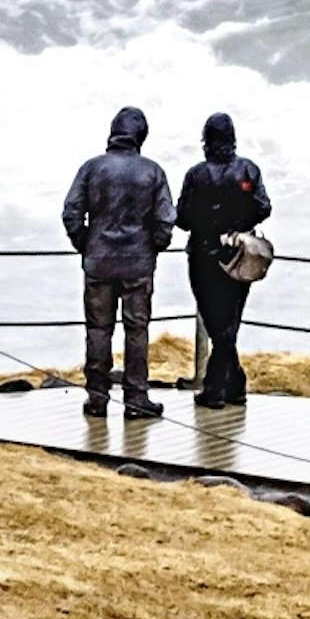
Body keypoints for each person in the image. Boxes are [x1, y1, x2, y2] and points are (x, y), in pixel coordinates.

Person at [61, 104, 174, 419]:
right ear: (141, 136)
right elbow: (166, 221)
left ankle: (97, 399)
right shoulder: (153, 171)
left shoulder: (92, 168)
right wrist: (153, 247)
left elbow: (71, 212)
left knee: (98, 330)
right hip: (138, 264)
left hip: (99, 262)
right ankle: (136, 398)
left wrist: (85, 243)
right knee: (136, 330)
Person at [174, 110, 272, 409]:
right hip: (239, 252)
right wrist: (238, 225)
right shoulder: (248, 170)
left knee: (217, 323)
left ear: (206, 140)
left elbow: (182, 218)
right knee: (229, 321)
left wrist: (209, 222)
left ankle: (217, 390)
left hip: (203, 255)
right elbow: (263, 207)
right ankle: (235, 385)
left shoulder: (196, 174)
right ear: (232, 139)